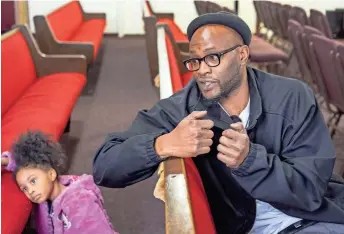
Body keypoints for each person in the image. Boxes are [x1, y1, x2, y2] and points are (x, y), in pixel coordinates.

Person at [93, 11, 344, 234]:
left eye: (213, 57)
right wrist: (163, 144)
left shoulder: (292, 96)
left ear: (243, 55)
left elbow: (310, 191)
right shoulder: (181, 109)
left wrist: (249, 161)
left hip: (316, 217)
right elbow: (105, 165)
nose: (202, 70)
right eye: (195, 60)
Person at [2, 131, 118, 234]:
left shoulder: (80, 203)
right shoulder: (46, 191)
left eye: (33, 181)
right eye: (24, 189)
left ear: (51, 174)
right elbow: (25, 167)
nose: (30, 190)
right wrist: (5, 161)